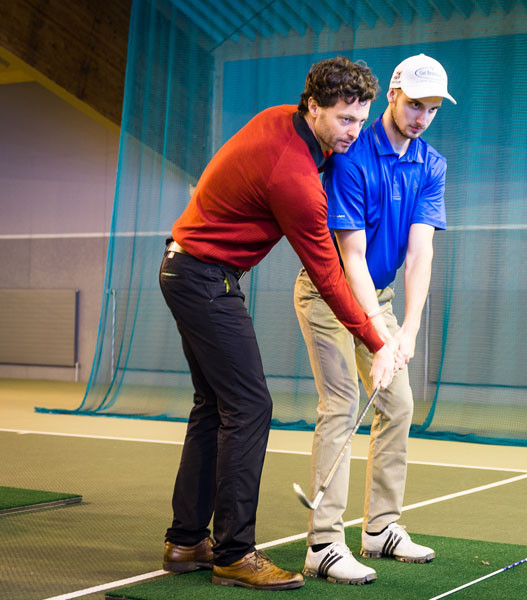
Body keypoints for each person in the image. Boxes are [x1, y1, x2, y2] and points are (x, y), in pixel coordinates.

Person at [158, 56, 396, 591]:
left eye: (361, 120)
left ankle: (186, 541)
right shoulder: (293, 176)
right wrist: (377, 340)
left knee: (214, 404)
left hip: (183, 269)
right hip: (205, 279)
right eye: (344, 120)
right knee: (250, 406)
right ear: (313, 107)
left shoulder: (281, 118)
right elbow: (330, 279)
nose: (354, 133)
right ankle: (235, 554)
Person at [294, 54, 455, 585]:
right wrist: (379, 337)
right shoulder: (352, 156)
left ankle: (381, 528)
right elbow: (352, 258)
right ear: (392, 96)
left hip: (378, 297)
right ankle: (324, 543)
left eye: (432, 109)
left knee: (399, 402)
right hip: (329, 293)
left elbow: (420, 254)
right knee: (341, 404)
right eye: (414, 105)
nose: (421, 117)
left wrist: (404, 332)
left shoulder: (431, 163)